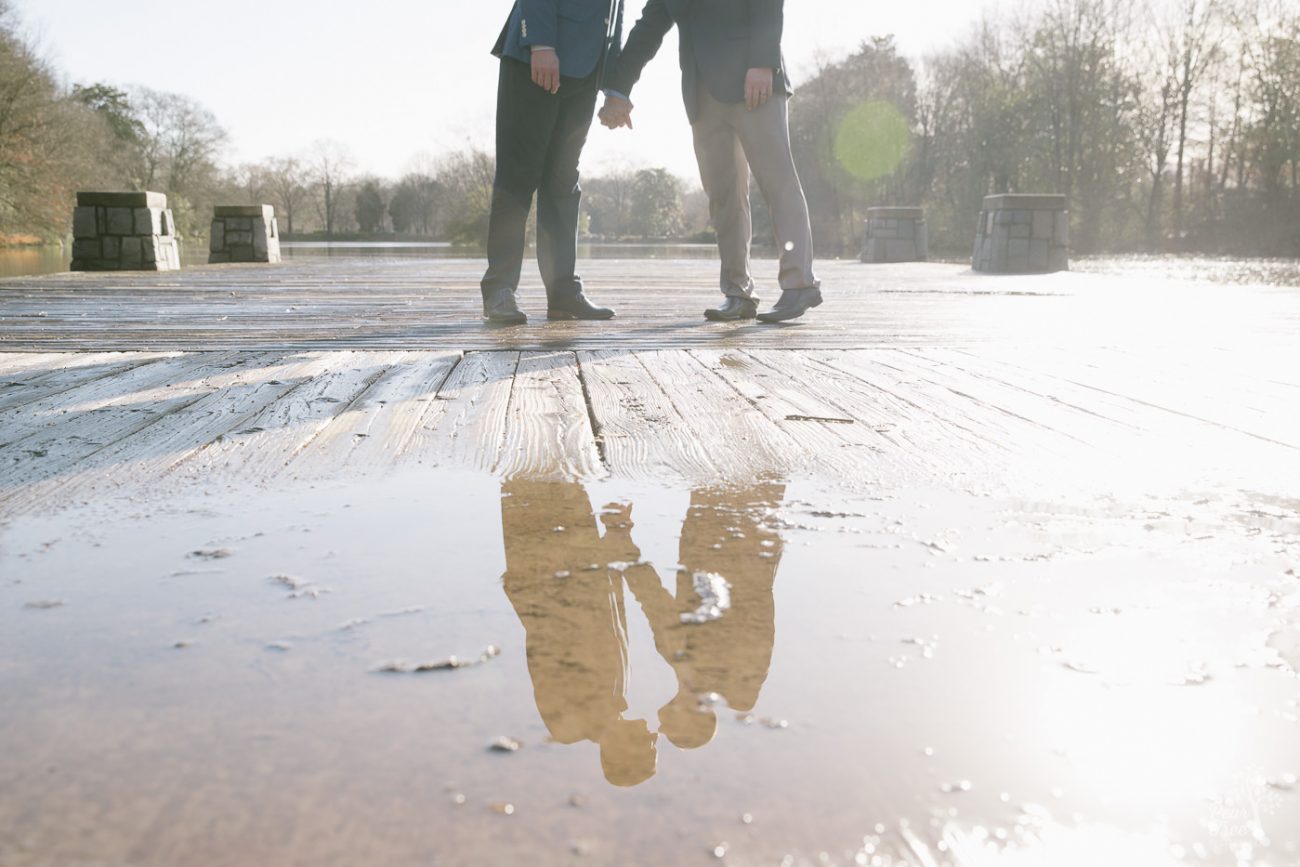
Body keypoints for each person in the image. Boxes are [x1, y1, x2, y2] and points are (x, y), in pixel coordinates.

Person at [598, 0, 821, 323]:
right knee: (723, 197)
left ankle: (800, 283)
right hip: (701, 91)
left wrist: (763, 63)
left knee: (778, 184)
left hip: (754, 81)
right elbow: (647, 30)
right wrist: (619, 90)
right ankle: (737, 292)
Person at [482, 0, 625, 324]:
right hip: (537, 57)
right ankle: (499, 290)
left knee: (563, 181)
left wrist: (615, 86)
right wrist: (541, 42)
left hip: (587, 67)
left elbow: (612, 13)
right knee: (517, 176)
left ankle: (563, 293)